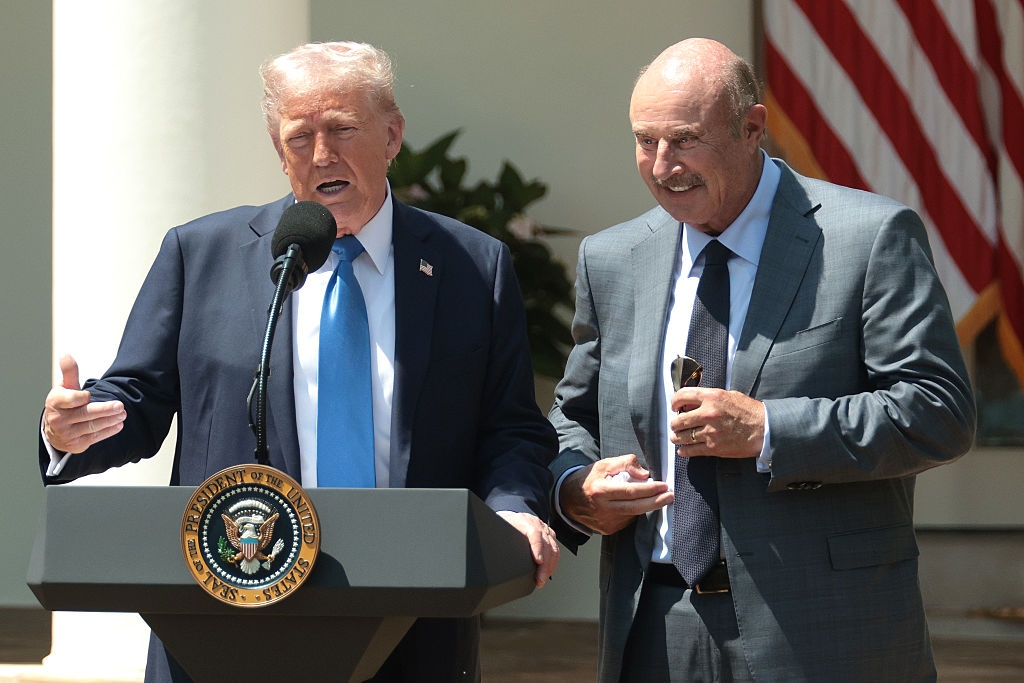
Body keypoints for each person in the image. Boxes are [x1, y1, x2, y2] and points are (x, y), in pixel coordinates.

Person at [40, 41, 559, 683]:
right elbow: (137, 401)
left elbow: (510, 426)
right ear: (278, 150)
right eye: (299, 137)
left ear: (393, 134)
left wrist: (512, 509)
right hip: (229, 605)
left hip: (413, 617)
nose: (322, 155)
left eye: (343, 129)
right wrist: (74, 429)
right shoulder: (200, 255)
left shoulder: (471, 266)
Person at [548, 38, 976, 682]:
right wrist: (577, 488)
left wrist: (769, 429)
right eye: (645, 141)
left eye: (685, 140)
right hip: (655, 626)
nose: (663, 166)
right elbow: (571, 417)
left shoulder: (867, 239)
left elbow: (938, 412)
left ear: (752, 128)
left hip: (823, 630)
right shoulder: (613, 259)